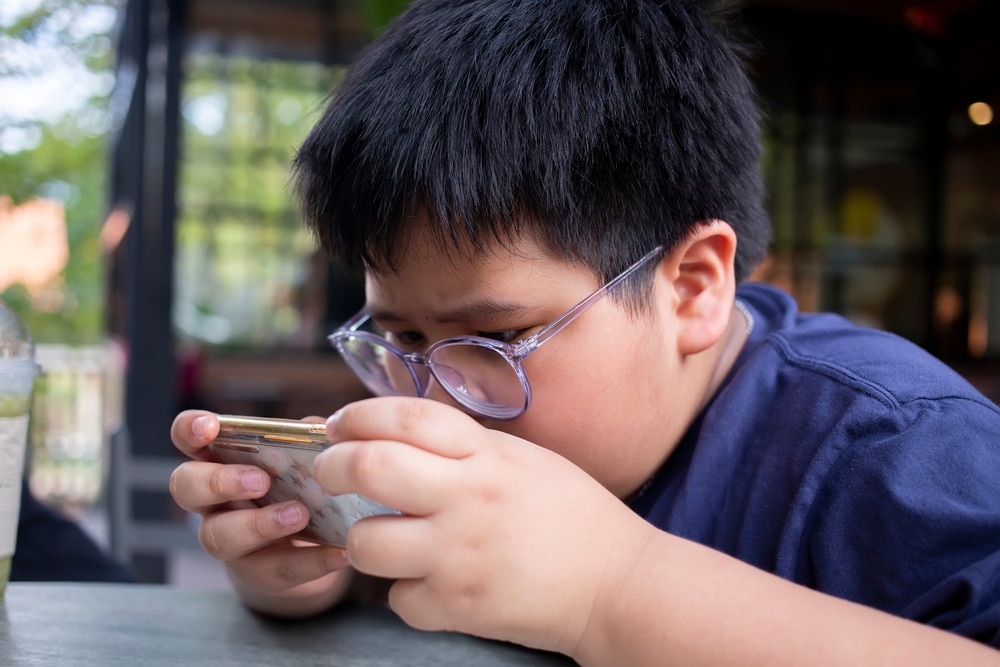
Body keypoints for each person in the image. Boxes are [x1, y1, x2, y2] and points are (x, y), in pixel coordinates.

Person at [167, 0, 1000, 664]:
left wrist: (612, 590)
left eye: (495, 339)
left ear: (692, 287)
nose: (440, 401)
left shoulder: (896, 451)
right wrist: (312, 571)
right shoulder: (487, 414)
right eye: (405, 341)